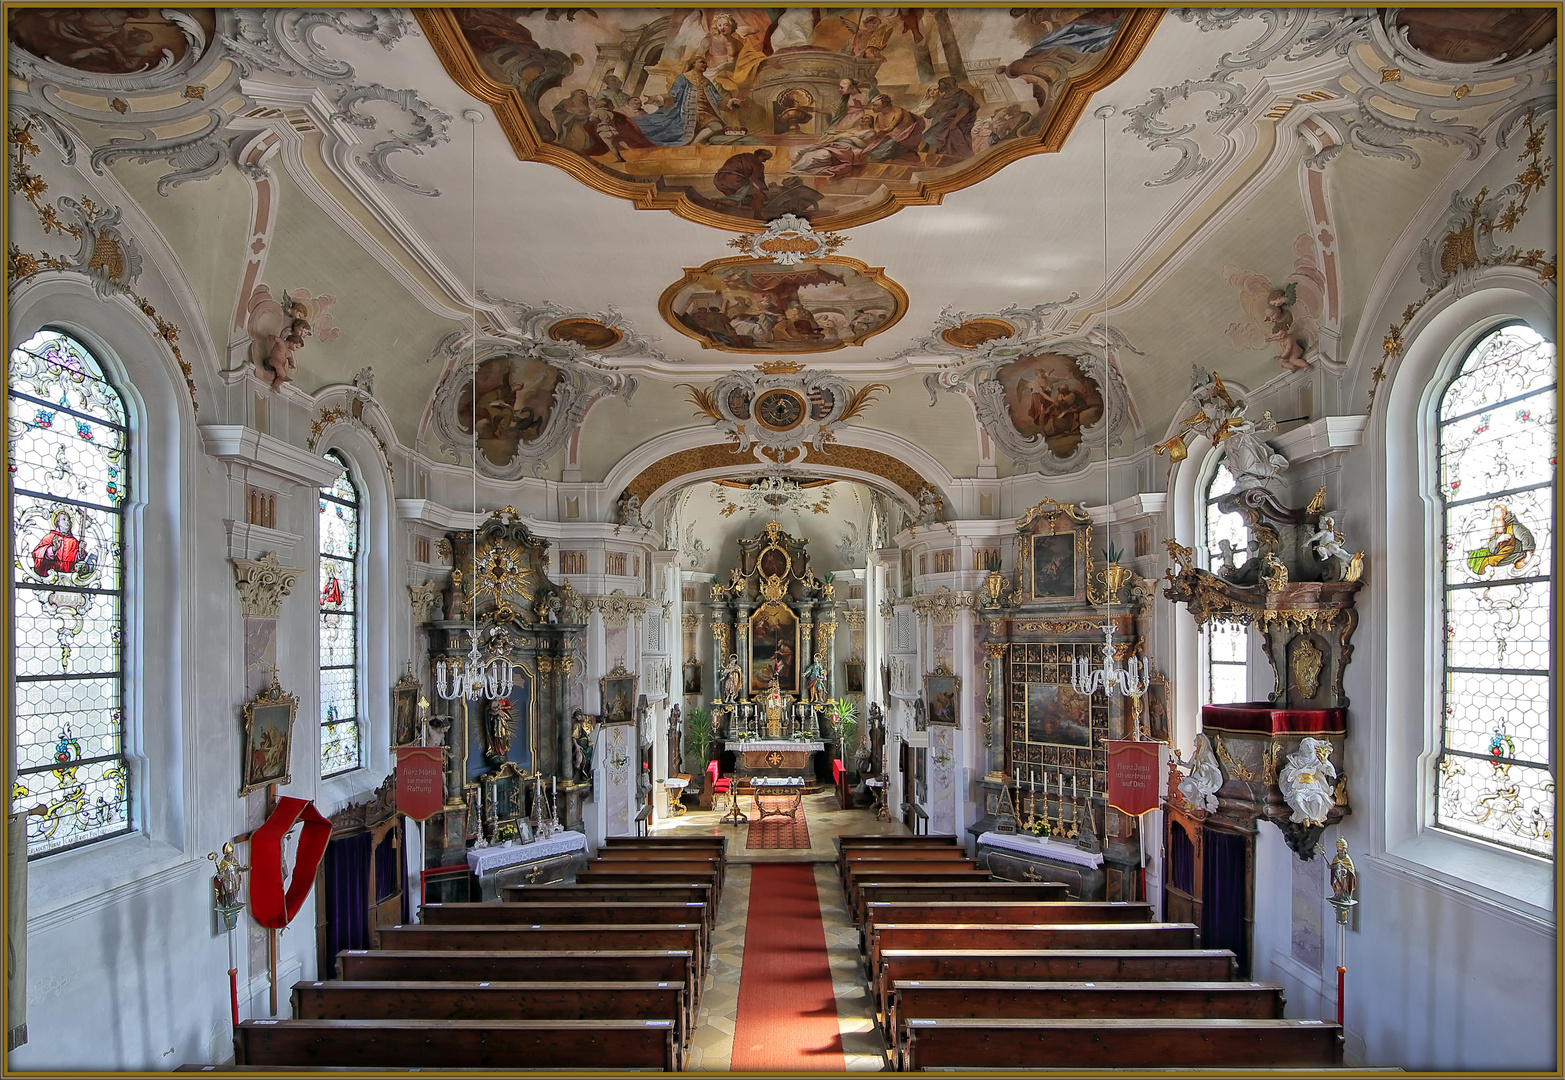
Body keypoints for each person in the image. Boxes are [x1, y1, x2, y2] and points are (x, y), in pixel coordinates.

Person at [634, 57, 728, 146]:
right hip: (688, 113)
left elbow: (718, 98)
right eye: (702, 62)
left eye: (706, 63)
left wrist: (732, 102)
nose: (705, 65)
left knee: (718, 127)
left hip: (705, 114)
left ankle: (695, 143)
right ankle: (694, 144)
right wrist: (658, 97)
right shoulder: (684, 78)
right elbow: (673, 94)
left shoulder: (706, 81)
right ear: (693, 63)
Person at [920, 76, 978, 161]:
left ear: (948, 85)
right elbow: (928, 114)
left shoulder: (962, 94)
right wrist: (935, 108)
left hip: (952, 124)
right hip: (939, 124)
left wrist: (955, 122)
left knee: (937, 140)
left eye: (941, 85)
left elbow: (964, 108)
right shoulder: (942, 98)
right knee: (927, 139)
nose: (939, 87)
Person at [713, 148, 772, 216]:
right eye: (765, 159)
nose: (764, 162)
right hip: (734, 180)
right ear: (761, 155)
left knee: (735, 197)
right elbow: (757, 178)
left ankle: (718, 201)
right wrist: (765, 190)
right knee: (759, 196)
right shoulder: (758, 163)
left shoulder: (741, 156)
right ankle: (757, 216)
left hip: (718, 179)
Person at [31, 510, 82, 577]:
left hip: (69, 577)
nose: (67, 522)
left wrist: (81, 551)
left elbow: (76, 561)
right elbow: (37, 553)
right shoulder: (50, 537)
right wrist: (52, 549)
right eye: (63, 519)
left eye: (68, 520)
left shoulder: (74, 542)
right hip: (51, 576)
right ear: (58, 522)